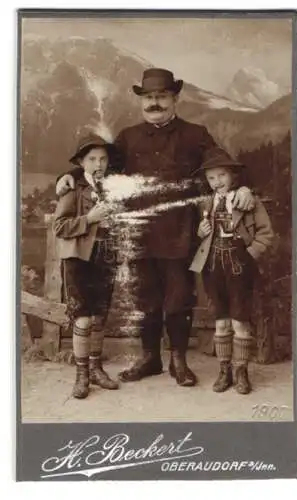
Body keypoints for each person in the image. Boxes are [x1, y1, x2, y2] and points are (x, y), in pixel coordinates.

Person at [55, 68, 255, 388]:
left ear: (175, 98)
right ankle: (150, 359)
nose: (155, 103)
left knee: (178, 300)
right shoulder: (128, 137)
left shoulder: (195, 134)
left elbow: (223, 167)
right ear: (141, 101)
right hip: (137, 236)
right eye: (149, 97)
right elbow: (99, 166)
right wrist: (69, 176)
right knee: (145, 300)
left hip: (181, 233)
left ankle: (179, 360)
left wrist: (242, 188)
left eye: (162, 96)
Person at [189, 152, 274, 394]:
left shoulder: (247, 201)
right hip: (213, 265)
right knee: (221, 320)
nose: (217, 181)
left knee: (240, 320)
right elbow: (201, 237)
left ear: (233, 175)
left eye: (222, 175)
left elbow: (266, 234)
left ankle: (241, 372)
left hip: (239, 265)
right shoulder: (206, 204)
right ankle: (224, 370)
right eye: (211, 177)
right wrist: (201, 231)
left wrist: (250, 255)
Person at [54, 133, 119, 399]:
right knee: (82, 316)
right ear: (81, 162)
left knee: (100, 315)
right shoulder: (72, 188)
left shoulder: (114, 186)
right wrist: (89, 218)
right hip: (78, 259)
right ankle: (81, 375)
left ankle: (96, 368)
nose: (98, 164)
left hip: (105, 255)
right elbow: (60, 226)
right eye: (92, 159)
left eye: (103, 159)